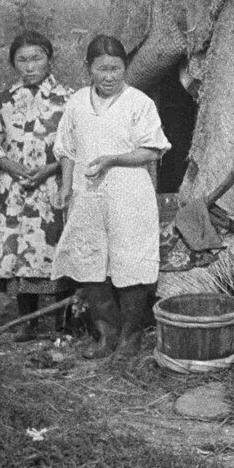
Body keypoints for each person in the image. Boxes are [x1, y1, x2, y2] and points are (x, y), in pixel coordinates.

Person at [52, 35, 170, 360]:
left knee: (130, 262)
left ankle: (131, 339)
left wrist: (113, 159)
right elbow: (66, 149)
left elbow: (151, 149)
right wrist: (64, 187)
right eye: (101, 69)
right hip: (87, 194)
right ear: (89, 68)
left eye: (116, 68)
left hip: (129, 194)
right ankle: (108, 334)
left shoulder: (139, 103)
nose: (109, 76)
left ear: (124, 68)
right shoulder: (76, 102)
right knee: (90, 264)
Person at [0, 30, 72, 341]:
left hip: (53, 187)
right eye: (22, 60)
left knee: (56, 250)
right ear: (13, 64)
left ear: (49, 58)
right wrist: (11, 166)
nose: (30, 66)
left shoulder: (69, 99)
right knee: (20, 252)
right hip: (15, 191)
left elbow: (75, 145)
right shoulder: (2, 101)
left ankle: (62, 325)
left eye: (37, 58)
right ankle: (28, 323)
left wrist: (49, 168)